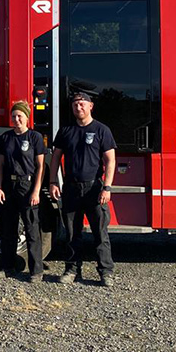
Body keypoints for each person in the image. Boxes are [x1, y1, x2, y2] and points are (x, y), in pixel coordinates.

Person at [48, 90, 117, 287]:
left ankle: (106, 272)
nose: (78, 107)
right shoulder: (66, 131)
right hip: (70, 188)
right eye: (75, 104)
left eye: (82, 104)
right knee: (71, 233)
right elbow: (55, 158)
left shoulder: (102, 130)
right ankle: (71, 270)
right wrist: (53, 182)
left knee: (100, 233)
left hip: (94, 188)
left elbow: (110, 160)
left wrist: (107, 187)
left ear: (90, 106)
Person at [0, 100, 46, 283]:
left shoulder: (35, 137)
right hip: (9, 186)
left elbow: (40, 166)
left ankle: (36, 271)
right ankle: (8, 267)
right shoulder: (6, 138)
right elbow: (0, 164)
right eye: (14, 116)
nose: (16, 120)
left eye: (20, 116)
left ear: (27, 118)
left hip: (27, 186)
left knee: (32, 229)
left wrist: (36, 191)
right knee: (8, 229)